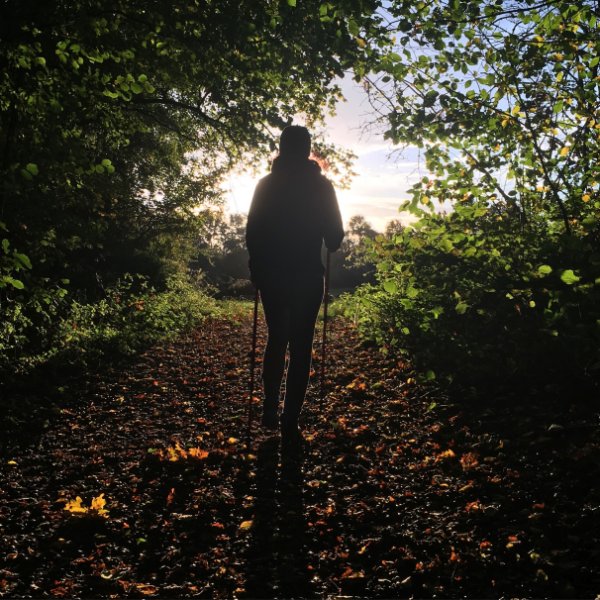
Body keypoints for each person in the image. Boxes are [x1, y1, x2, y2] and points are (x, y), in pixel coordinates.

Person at [246, 125, 344, 439]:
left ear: (281, 148)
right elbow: (335, 239)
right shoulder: (322, 187)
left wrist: (257, 269)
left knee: (277, 337)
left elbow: (252, 233)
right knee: (302, 346)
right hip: (307, 275)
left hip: (273, 274)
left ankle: (270, 406)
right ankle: (290, 419)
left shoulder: (266, 185)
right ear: (307, 150)